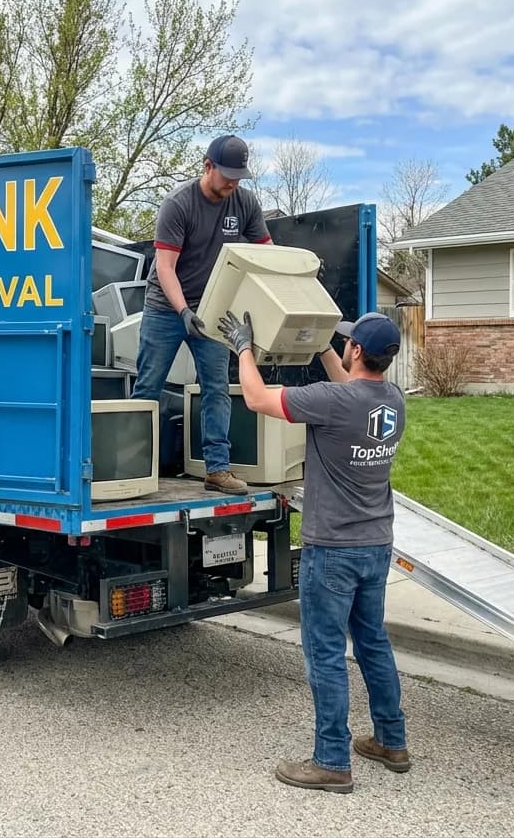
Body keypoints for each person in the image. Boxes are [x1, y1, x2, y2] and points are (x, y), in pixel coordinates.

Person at [218, 309, 409, 794]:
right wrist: (323, 345)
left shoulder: (331, 402)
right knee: (372, 643)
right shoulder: (391, 399)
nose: (343, 347)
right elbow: (350, 385)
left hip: (333, 550)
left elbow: (258, 398)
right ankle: (392, 740)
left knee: (324, 652)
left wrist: (243, 345)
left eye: (347, 342)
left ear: (359, 351)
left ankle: (331, 761)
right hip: (375, 543)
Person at [131, 134, 271, 494]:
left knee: (217, 388)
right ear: (207, 166)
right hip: (166, 307)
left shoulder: (244, 202)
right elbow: (164, 267)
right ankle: (132, 468)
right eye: (227, 175)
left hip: (213, 310)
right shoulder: (178, 204)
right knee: (149, 388)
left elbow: (267, 252)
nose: (232, 183)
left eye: (238, 176)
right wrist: (183, 311)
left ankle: (217, 470)